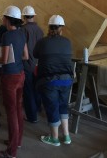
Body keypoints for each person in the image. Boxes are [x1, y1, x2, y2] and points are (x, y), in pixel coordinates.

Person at [0, 6, 29, 158]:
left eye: (4, 17)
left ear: (7, 19)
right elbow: (25, 56)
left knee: (11, 112)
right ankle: (17, 141)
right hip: (20, 74)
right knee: (18, 109)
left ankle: (11, 152)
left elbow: (4, 60)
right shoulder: (21, 34)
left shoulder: (7, 35)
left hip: (9, 77)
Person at [33, 15, 73, 147]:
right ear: (61, 28)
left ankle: (54, 138)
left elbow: (35, 55)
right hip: (67, 80)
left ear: (49, 27)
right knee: (63, 106)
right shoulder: (68, 41)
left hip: (49, 80)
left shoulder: (42, 42)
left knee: (52, 107)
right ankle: (66, 136)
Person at [21, 6, 44, 123]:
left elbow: (21, 48)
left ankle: (31, 116)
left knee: (28, 90)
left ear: (24, 16)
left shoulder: (23, 29)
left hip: (27, 64)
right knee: (36, 88)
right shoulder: (40, 30)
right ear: (34, 16)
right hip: (38, 64)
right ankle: (37, 108)